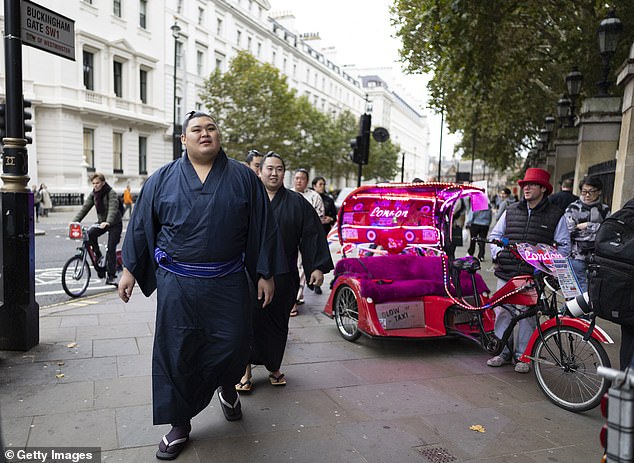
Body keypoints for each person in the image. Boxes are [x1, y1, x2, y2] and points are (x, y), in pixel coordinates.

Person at [117, 111, 286, 461]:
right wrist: (131, 269)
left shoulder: (243, 177)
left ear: (219, 135)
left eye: (211, 128)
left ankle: (227, 387)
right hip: (178, 284)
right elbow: (140, 226)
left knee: (234, 343)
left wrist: (265, 272)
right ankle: (180, 423)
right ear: (183, 139)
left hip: (228, 281)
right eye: (196, 129)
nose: (205, 133)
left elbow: (263, 227)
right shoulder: (162, 179)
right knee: (177, 352)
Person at [236, 152, 333, 392]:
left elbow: (312, 234)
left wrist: (317, 266)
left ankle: (273, 366)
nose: (273, 173)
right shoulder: (247, 200)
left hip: (284, 274)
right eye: (268, 168)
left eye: (279, 169)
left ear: (284, 173)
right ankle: (245, 369)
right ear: (260, 171)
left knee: (278, 323)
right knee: (247, 322)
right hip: (250, 273)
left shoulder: (297, 202)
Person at [488, 168, 570, 373]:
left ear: (543, 188)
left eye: (532, 185)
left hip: (533, 276)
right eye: (525, 185)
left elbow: (564, 246)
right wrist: (499, 254)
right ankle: (502, 351)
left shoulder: (556, 215)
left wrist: (546, 265)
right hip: (506, 272)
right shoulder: (512, 209)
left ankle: (523, 356)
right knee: (503, 313)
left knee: (528, 316)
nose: (526, 188)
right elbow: (495, 234)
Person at [72, 173, 123, 285]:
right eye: (93, 183)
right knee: (89, 234)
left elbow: (113, 209)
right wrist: (75, 221)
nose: (95, 185)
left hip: (114, 223)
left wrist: (108, 222)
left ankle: (111, 276)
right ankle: (98, 256)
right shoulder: (94, 194)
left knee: (111, 247)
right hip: (102, 223)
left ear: (103, 182)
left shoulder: (111, 193)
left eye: (97, 183)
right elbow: (85, 208)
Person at [564, 176, 609, 292]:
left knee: (593, 290)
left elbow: (607, 232)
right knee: (579, 290)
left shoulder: (605, 210)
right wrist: (595, 231)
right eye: (584, 191)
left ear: (599, 192)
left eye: (591, 192)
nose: (587, 195)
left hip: (597, 257)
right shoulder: (573, 208)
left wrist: (587, 225)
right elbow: (569, 232)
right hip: (577, 256)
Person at [292, 168, 325, 311]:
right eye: (297, 178)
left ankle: (296, 297)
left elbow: (319, 218)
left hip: (307, 238)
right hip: (289, 238)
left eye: (302, 178)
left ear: (307, 181)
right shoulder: (286, 194)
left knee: (301, 269)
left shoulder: (314, 196)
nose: (299, 181)